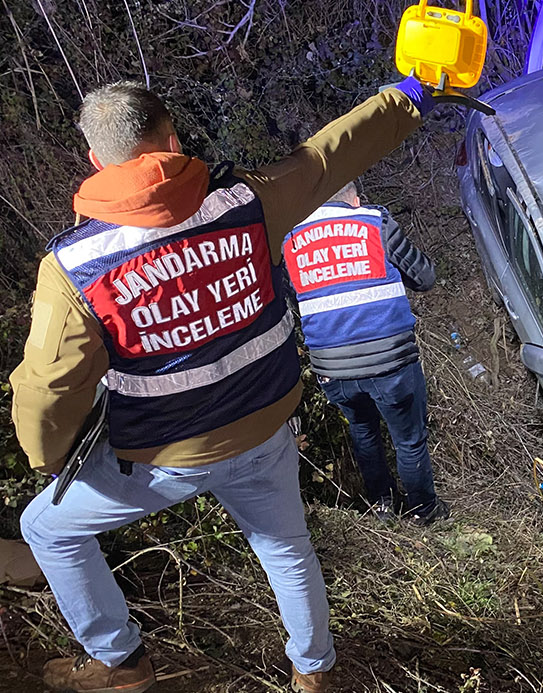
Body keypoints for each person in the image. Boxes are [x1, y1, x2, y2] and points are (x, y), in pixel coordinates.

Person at [12, 76, 443, 693]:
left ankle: (120, 661)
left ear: (96, 162)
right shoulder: (247, 201)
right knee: (287, 549)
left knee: (46, 527)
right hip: (264, 430)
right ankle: (312, 671)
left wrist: (48, 457)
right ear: (172, 140)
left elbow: (49, 388)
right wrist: (410, 96)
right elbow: (329, 156)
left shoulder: (74, 268)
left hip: (161, 459)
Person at [282, 181, 448, 524]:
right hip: (391, 362)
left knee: (364, 433)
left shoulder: (289, 240)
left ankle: (383, 507)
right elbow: (425, 277)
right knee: (409, 440)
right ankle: (425, 511)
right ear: (354, 199)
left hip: (332, 369)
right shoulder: (374, 222)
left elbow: (296, 297)